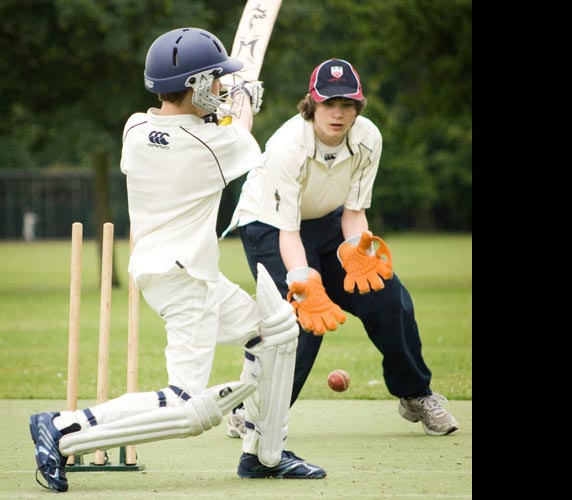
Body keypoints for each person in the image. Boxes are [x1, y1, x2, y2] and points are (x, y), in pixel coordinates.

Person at [28, 27, 326, 493]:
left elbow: (200, 125)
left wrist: (224, 102)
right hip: (185, 277)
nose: (224, 88)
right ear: (199, 85)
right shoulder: (208, 145)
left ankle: (264, 453)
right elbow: (240, 136)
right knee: (186, 404)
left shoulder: (135, 128)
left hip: (174, 272)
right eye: (217, 81)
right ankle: (63, 427)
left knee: (275, 334)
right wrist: (242, 101)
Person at [222, 58, 459, 439]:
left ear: (357, 107)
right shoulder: (288, 145)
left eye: (347, 105)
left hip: (329, 221)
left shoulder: (368, 139)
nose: (338, 113)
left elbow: (354, 213)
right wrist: (304, 280)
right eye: (329, 104)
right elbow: (288, 231)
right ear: (312, 104)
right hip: (268, 224)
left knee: (387, 296)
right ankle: (255, 410)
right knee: (301, 322)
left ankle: (415, 394)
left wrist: (357, 252)